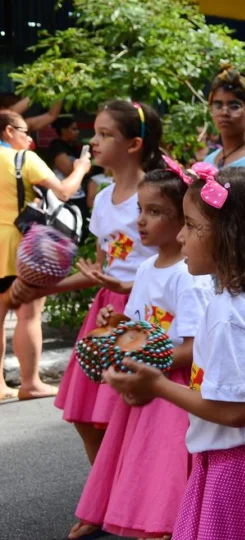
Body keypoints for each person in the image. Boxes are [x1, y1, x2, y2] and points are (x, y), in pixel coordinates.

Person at [104, 166, 245, 540]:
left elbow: (234, 411)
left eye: (193, 226)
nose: (181, 236)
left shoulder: (229, 313)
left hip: (239, 470)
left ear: (233, 235)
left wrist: (158, 387)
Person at [69, 161, 212, 540]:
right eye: (140, 210)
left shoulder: (189, 276)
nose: (142, 221)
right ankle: (121, 515)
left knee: (166, 460)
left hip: (173, 385)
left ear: (183, 220)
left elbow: (196, 348)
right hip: (150, 377)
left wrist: (149, 366)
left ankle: (168, 524)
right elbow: (137, 326)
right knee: (136, 454)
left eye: (156, 212)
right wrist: (113, 335)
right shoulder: (147, 268)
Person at [40, 101, 162, 464]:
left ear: (134, 145)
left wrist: (131, 287)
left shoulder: (154, 194)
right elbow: (104, 266)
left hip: (143, 311)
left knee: (122, 412)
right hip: (106, 310)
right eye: (96, 132)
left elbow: (177, 259)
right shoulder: (104, 195)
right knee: (85, 413)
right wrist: (45, 286)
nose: (93, 141)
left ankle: (121, 495)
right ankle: (102, 490)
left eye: (105, 134)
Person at [0, 111, 91, 401]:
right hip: (20, 247)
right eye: (24, 131)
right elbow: (64, 192)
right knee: (28, 315)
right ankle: (30, 383)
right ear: (7, 131)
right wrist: (81, 169)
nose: (29, 138)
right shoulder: (23, 159)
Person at [48, 115, 94, 228]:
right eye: (73, 129)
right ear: (63, 130)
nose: (77, 132)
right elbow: (67, 170)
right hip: (65, 196)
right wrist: (82, 167)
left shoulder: (72, 147)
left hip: (78, 194)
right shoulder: (57, 146)